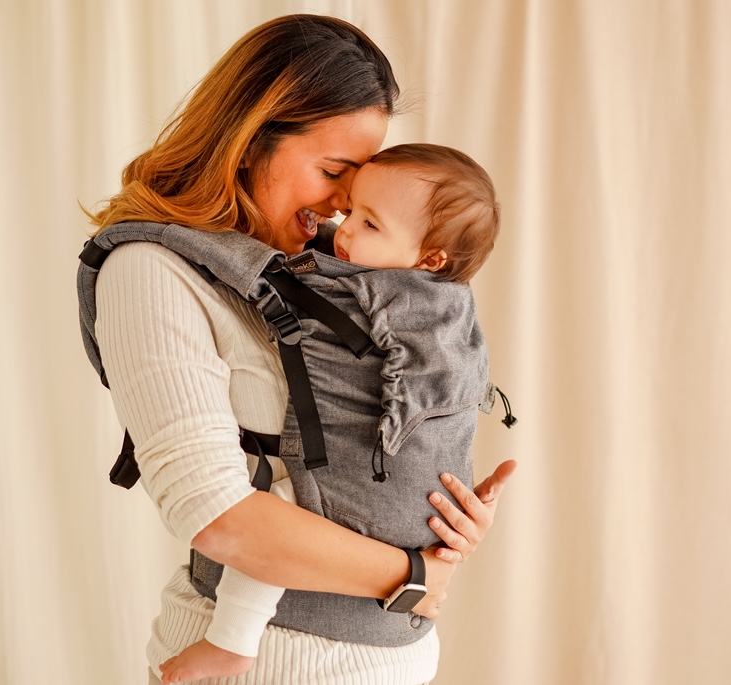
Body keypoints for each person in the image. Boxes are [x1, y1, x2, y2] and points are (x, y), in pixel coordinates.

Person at [84, 14, 516, 685]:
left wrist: (440, 510)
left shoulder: (337, 272)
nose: (344, 204)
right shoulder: (152, 271)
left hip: (393, 658)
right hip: (266, 663)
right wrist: (413, 573)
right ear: (249, 140)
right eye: (334, 170)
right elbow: (216, 514)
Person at [157, 142, 505, 683]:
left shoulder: (398, 300)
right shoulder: (446, 303)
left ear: (430, 259)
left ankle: (231, 641)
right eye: (351, 213)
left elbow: (264, 272)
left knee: (276, 515)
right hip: (421, 540)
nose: (342, 229)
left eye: (369, 223)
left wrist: (163, 232)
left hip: (390, 494)